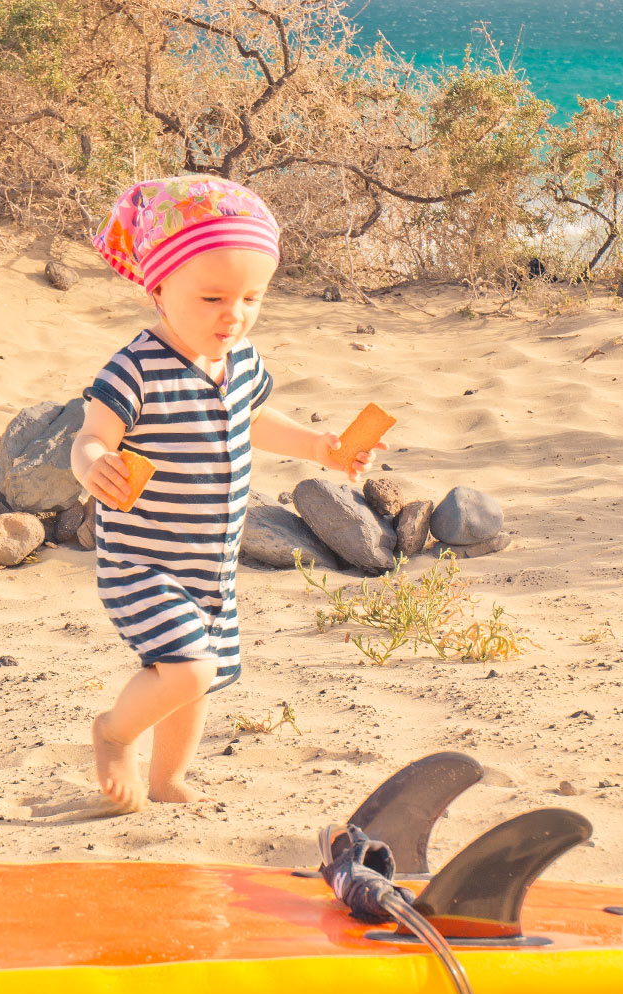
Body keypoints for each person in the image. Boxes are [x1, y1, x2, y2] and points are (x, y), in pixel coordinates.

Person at [71, 175, 384, 811]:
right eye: (213, 296)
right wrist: (94, 463)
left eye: (250, 298)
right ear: (159, 288)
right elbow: (89, 434)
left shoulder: (240, 359)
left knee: (195, 683)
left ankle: (166, 781)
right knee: (188, 669)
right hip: (144, 561)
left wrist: (320, 446)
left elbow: (252, 419)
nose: (233, 314)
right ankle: (113, 733)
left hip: (210, 566)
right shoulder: (136, 367)